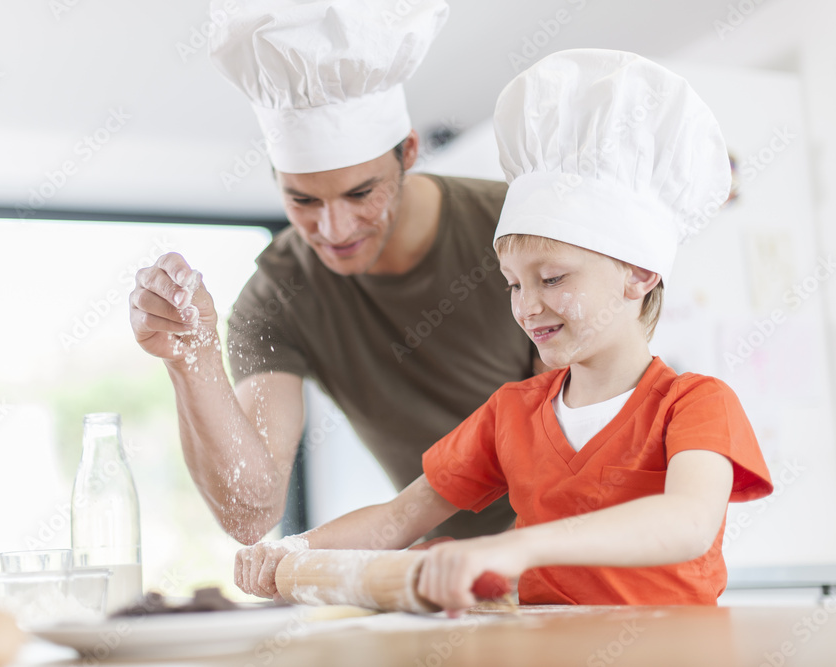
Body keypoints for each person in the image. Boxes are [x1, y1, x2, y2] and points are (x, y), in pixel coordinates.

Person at [233, 48, 774, 610]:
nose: (529, 307)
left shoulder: (695, 405)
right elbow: (400, 518)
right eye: (514, 284)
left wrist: (516, 550)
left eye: (553, 278)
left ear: (638, 275)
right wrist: (290, 551)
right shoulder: (511, 413)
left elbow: (685, 521)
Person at [129, 0, 535, 545]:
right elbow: (251, 513)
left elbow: (584, 436)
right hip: (443, 570)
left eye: (361, 193)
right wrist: (190, 359)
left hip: (569, 548)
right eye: (302, 200)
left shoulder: (518, 230)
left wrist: (507, 555)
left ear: (409, 152)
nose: (334, 228)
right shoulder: (276, 298)